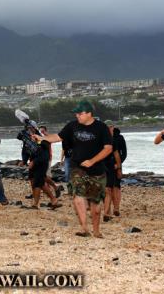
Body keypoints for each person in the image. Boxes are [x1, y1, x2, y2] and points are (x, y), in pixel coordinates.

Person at [34, 100, 112, 238]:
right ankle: (84, 228)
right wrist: (42, 137)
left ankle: (96, 230)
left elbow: (108, 149)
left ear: (89, 113)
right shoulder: (72, 126)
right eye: (76, 113)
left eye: (80, 113)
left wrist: (92, 161)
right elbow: (57, 137)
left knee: (95, 204)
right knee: (77, 196)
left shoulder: (101, 128)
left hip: (97, 170)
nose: (77, 116)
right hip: (77, 167)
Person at [103, 120, 123, 221]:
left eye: (110, 127)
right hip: (100, 167)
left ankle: (106, 213)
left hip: (111, 167)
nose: (108, 129)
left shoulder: (115, 140)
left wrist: (119, 168)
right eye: (107, 127)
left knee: (109, 189)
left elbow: (117, 155)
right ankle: (106, 211)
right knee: (104, 190)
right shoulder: (99, 139)